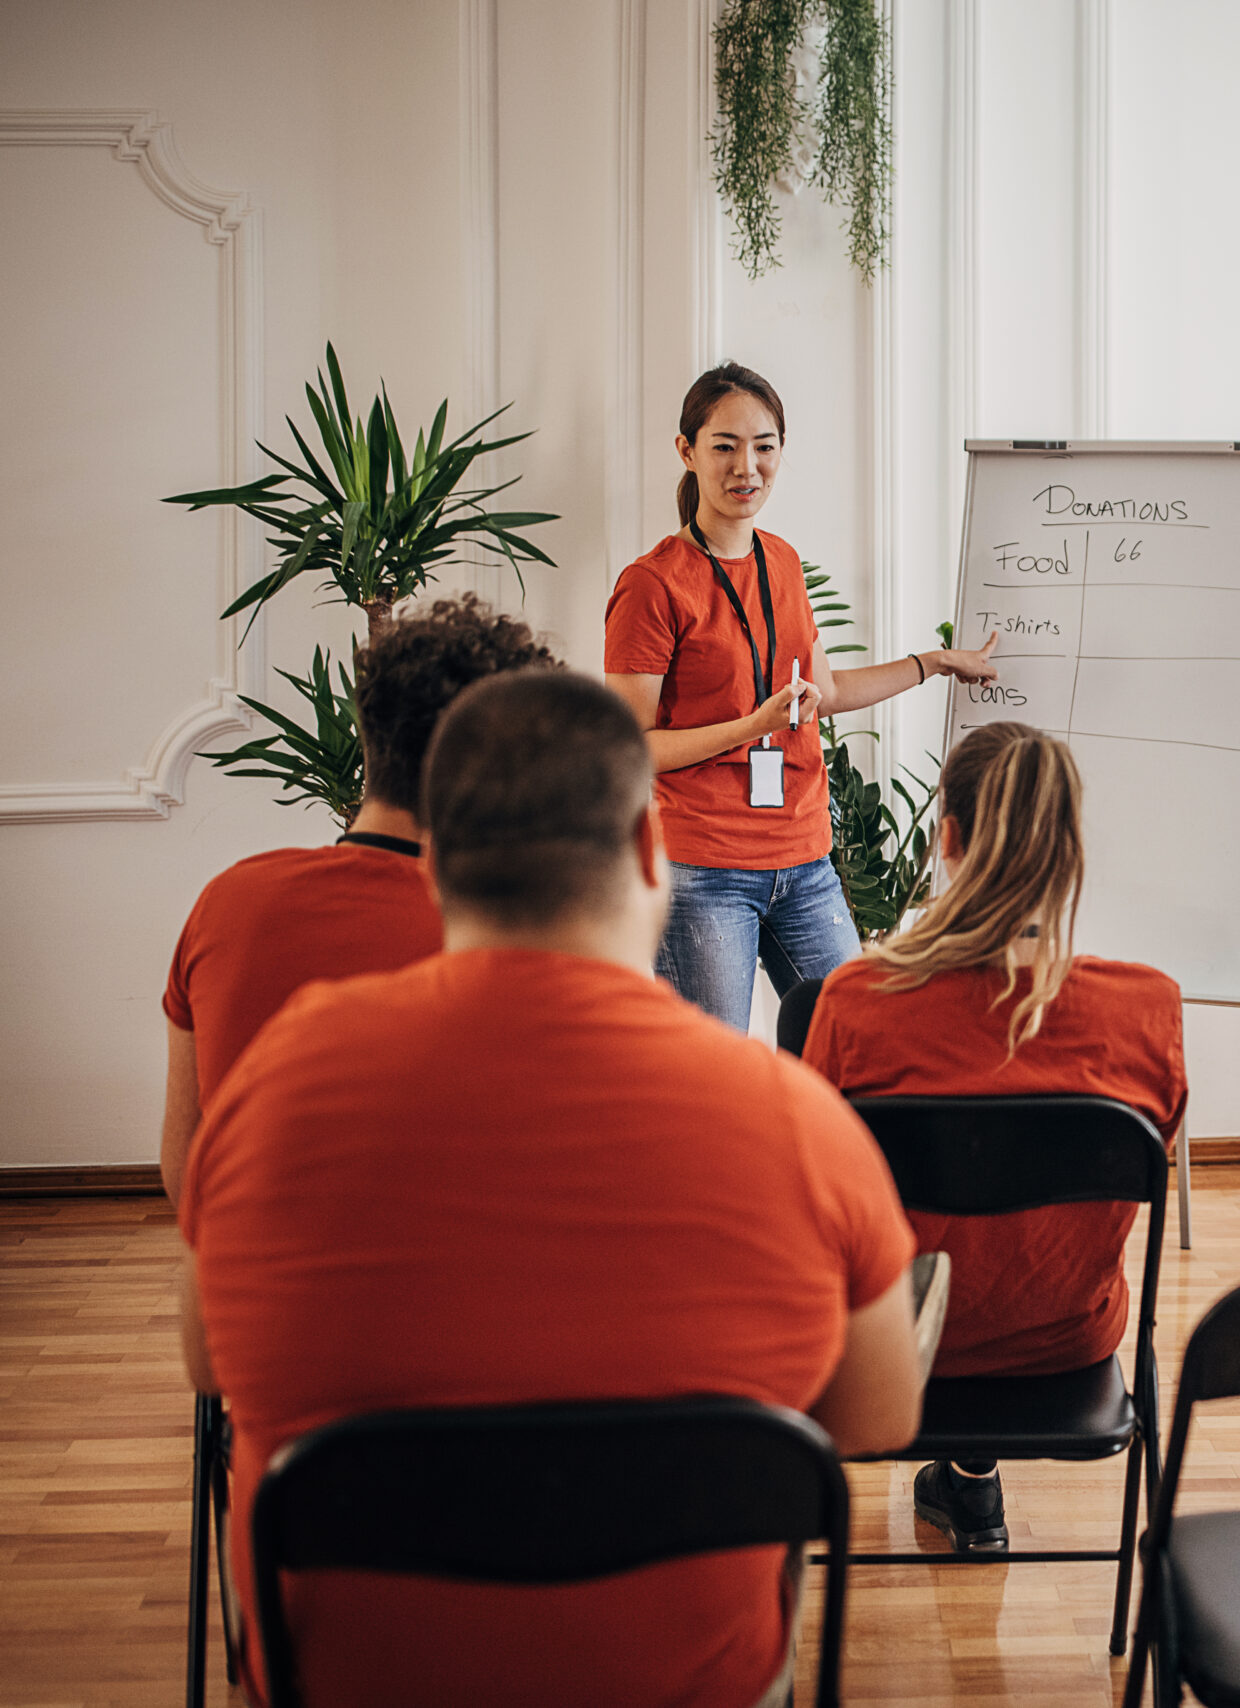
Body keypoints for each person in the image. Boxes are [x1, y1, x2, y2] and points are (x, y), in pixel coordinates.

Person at [179, 671, 925, 1708]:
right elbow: (878, 1414)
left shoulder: (277, 1082)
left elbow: (209, 1355)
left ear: (438, 862)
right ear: (648, 851)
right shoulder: (794, 1118)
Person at [801, 720, 1186, 1554]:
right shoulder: (1147, 1011)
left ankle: (965, 1484)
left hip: (896, 1346)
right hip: (1063, 1343)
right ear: (1072, 848)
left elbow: (818, 1190)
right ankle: (971, 1487)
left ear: (947, 839)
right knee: (1017, 1238)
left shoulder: (858, 1000)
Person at [604, 362, 1003, 1028]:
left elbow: (829, 688)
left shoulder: (781, 561)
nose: (746, 466)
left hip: (805, 859)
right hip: (705, 871)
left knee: (862, 1041)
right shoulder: (652, 584)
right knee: (719, 1074)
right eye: (724, 446)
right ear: (687, 452)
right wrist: (747, 727)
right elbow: (627, 751)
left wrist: (934, 662)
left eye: (764, 446)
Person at [160, 594, 556, 1200]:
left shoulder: (228, 902)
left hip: (243, 1279)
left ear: (370, 734)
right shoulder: (513, 940)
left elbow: (186, 1170)